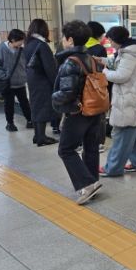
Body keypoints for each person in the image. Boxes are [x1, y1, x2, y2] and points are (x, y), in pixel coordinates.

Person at [52, 20, 103, 205]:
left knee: (66, 149)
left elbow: (67, 92)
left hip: (78, 112)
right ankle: (92, 182)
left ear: (70, 39)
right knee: (91, 148)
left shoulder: (70, 62)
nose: (62, 40)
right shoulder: (92, 59)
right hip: (96, 109)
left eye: (64, 37)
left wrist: (53, 97)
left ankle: (87, 184)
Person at [98, 26, 136, 177]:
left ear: (116, 40)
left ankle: (113, 168)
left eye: (110, 40)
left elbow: (121, 76)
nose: (109, 43)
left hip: (129, 101)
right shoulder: (131, 50)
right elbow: (119, 64)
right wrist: (103, 60)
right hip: (135, 99)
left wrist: (104, 72)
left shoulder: (128, 55)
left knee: (122, 136)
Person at [23, 19, 58, 146]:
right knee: (43, 107)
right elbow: (49, 68)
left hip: (32, 79)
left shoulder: (28, 44)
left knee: (36, 105)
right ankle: (41, 137)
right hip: (42, 80)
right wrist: (56, 83)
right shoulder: (41, 45)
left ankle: (37, 135)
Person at [0, 29, 33, 132]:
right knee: (9, 104)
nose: (22, 43)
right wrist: (4, 76)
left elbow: (27, 64)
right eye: (20, 41)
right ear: (13, 40)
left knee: (24, 102)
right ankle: (10, 124)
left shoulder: (22, 50)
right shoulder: (1, 49)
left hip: (20, 82)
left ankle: (30, 121)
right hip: (8, 83)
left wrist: (25, 75)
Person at [86, 21, 109, 152]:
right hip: (96, 85)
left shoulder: (80, 46)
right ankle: (99, 142)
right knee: (100, 114)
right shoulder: (99, 48)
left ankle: (84, 141)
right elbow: (102, 69)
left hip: (83, 85)